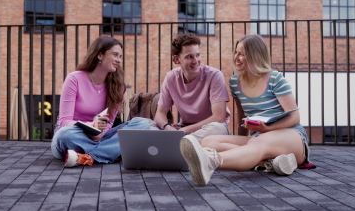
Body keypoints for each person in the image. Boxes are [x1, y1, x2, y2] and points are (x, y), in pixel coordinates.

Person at [180, 34, 311, 186]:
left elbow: (295, 117)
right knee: (209, 141)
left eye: (242, 54)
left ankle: (211, 161)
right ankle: (269, 162)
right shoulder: (235, 82)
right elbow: (242, 118)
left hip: (291, 136)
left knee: (256, 144)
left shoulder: (275, 79)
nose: (236, 57)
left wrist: (268, 128)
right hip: (259, 137)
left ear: (255, 55)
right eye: (236, 52)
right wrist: (244, 136)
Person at [51, 36, 149, 167]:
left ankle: (87, 157)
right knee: (63, 135)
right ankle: (112, 152)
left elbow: (109, 122)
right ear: (100, 55)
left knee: (143, 124)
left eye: (120, 56)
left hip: (99, 137)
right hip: (74, 136)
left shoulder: (119, 87)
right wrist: (92, 126)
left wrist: (99, 134)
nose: (119, 60)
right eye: (115, 55)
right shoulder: (74, 79)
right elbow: (64, 121)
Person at [152, 33, 231, 142]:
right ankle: (183, 144)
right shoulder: (171, 77)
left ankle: (179, 144)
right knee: (145, 124)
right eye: (189, 56)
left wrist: (182, 132)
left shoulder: (214, 75)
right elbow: (160, 114)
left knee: (218, 128)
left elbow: (219, 117)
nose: (196, 61)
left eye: (198, 55)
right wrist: (168, 128)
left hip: (208, 129)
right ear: (176, 59)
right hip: (184, 128)